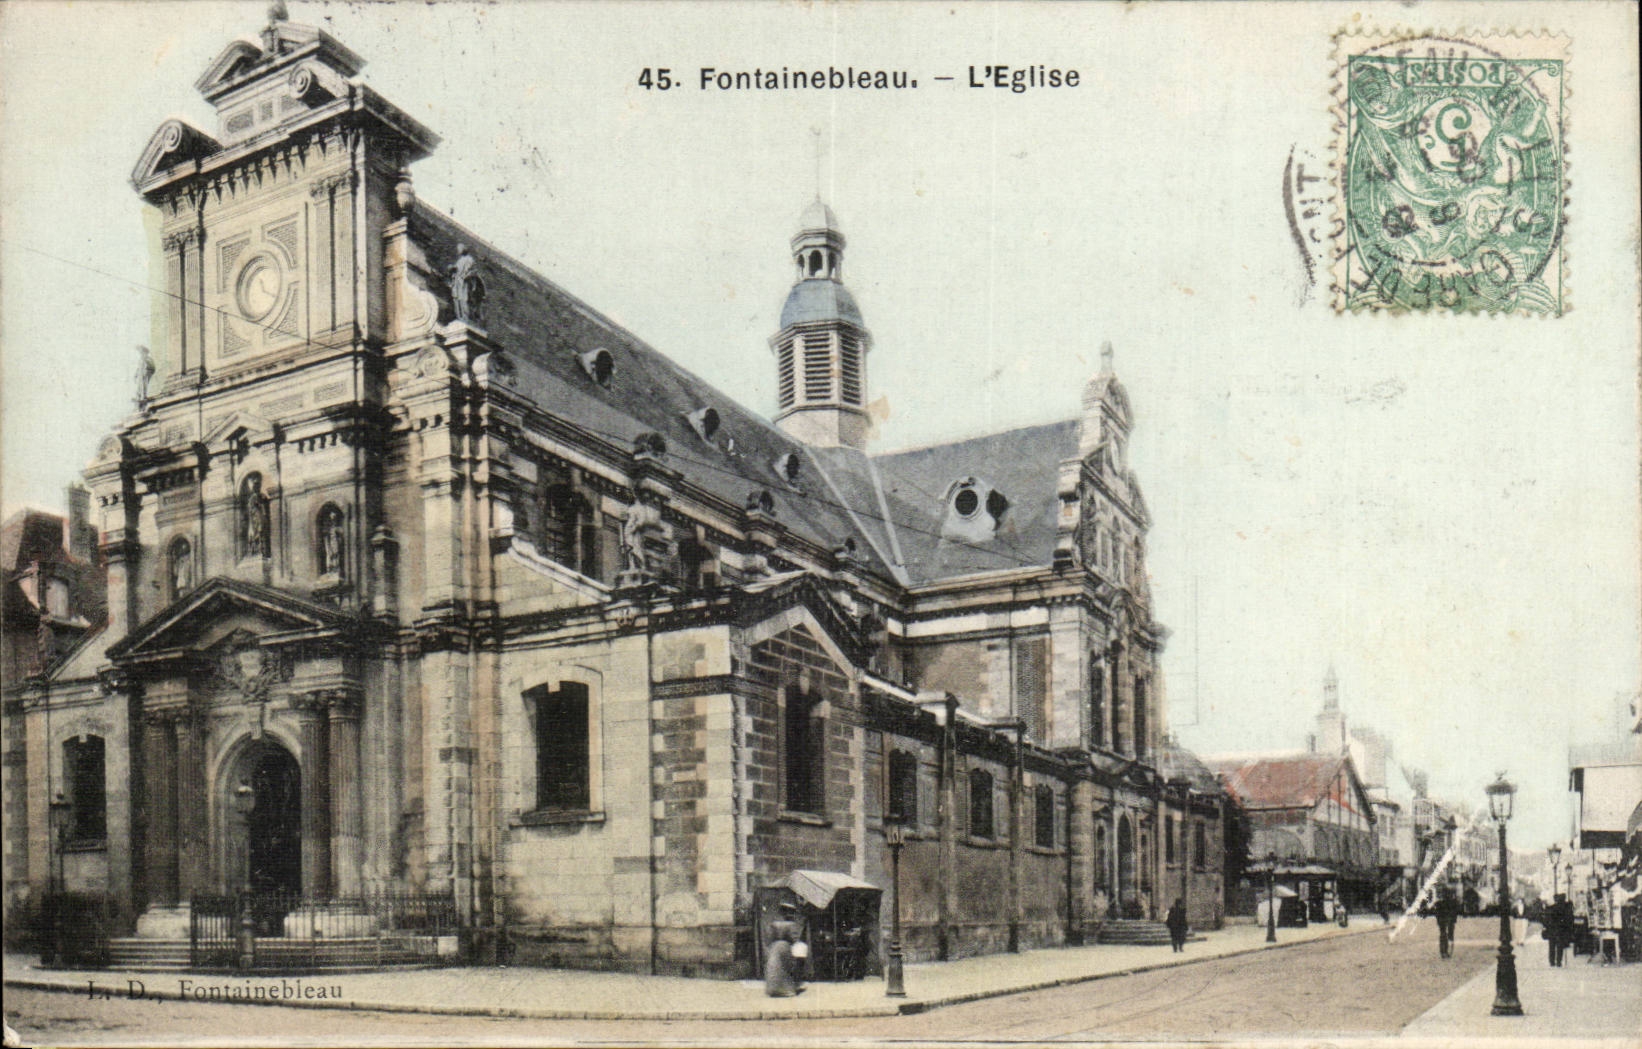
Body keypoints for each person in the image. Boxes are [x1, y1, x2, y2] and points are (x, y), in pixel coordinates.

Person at [1546, 892, 1572, 967]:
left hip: (1552, 930)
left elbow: (1547, 919)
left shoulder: (1552, 907)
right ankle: (1558, 961)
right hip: (1561, 930)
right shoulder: (1565, 908)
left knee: (1552, 946)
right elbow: (1568, 919)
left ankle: (1551, 961)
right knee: (1560, 946)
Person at [1434, 888, 1460, 959]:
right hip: (1448, 921)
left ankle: (1444, 951)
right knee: (1448, 935)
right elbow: (1455, 912)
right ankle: (1446, 951)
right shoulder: (1453, 903)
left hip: (1444, 921)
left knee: (1444, 935)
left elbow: (1437, 913)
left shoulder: (1439, 903)